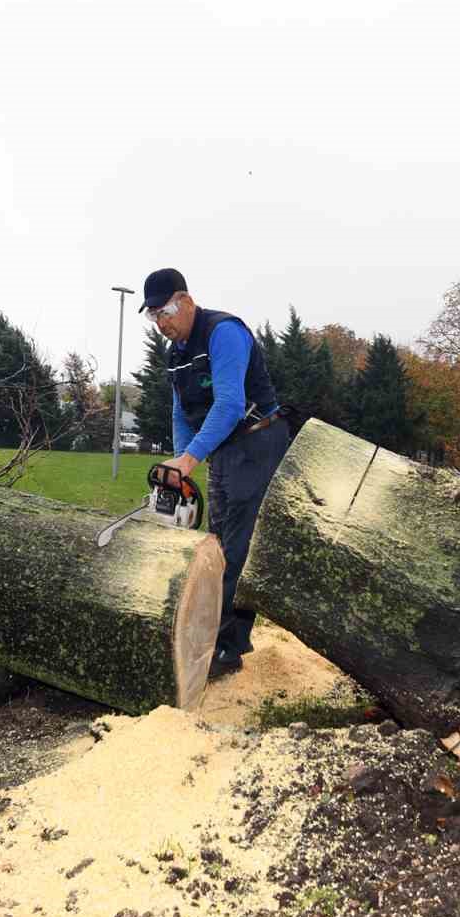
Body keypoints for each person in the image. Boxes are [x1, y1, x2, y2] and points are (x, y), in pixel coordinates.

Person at [143, 268, 290, 679]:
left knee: (237, 548)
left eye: (165, 312)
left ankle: (227, 647)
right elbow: (180, 411)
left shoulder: (223, 333)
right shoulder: (176, 353)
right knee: (215, 544)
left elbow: (228, 404)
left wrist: (189, 460)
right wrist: (179, 465)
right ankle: (217, 634)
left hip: (257, 440)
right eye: (153, 317)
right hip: (226, 449)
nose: (162, 324)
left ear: (186, 300)